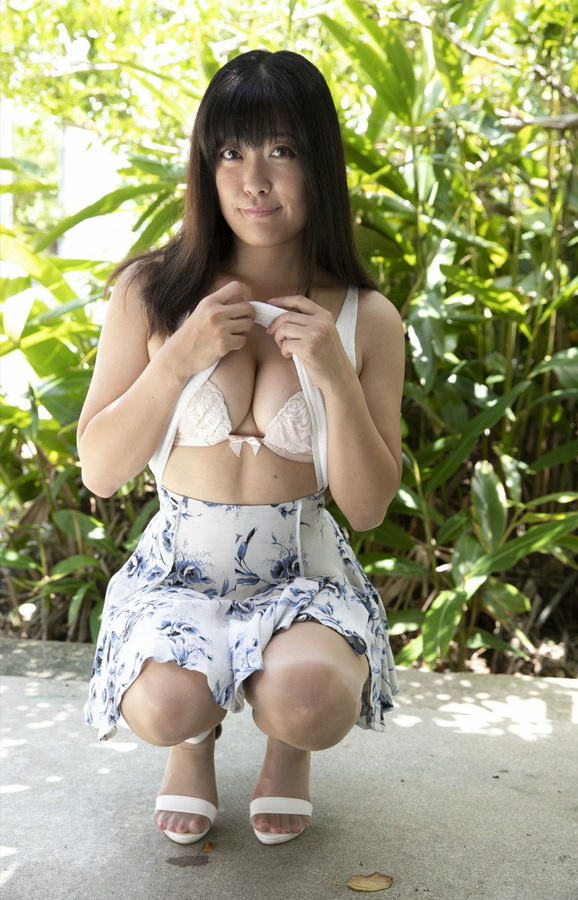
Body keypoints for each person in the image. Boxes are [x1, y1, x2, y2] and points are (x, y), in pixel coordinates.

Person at [78, 49, 405, 846]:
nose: (254, 180)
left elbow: (366, 509)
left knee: (309, 701)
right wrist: (178, 360)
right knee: (165, 706)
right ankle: (193, 738)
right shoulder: (150, 294)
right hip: (179, 571)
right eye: (231, 152)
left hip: (303, 575)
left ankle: (287, 748)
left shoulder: (367, 319)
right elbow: (102, 470)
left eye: (281, 150)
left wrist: (334, 377)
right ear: (206, 165)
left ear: (319, 164)